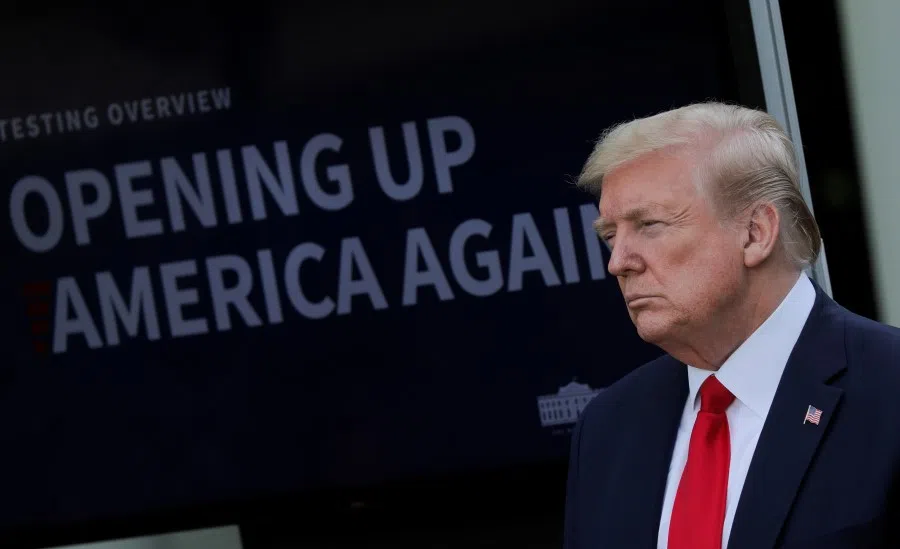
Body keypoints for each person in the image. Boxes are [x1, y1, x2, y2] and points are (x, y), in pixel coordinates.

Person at [563, 102, 900, 549]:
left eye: (649, 225)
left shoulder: (889, 386)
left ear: (756, 232)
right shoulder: (610, 427)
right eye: (610, 235)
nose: (618, 262)